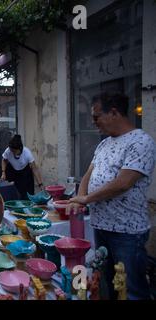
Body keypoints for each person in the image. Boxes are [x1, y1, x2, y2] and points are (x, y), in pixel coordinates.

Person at [69, 93, 156, 300]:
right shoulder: (104, 144)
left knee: (130, 288)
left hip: (127, 232)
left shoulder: (141, 141)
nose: (93, 122)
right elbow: (88, 174)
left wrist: (88, 199)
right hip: (101, 228)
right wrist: (80, 198)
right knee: (106, 283)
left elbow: (123, 183)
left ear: (114, 112)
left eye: (96, 117)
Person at [0, 135, 44, 199]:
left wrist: (40, 184)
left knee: (28, 195)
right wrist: (3, 172)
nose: (12, 152)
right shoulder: (8, 151)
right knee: (15, 193)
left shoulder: (27, 153)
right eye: (11, 150)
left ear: (20, 148)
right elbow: (4, 160)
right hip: (14, 171)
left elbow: (35, 169)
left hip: (25, 173)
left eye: (14, 151)